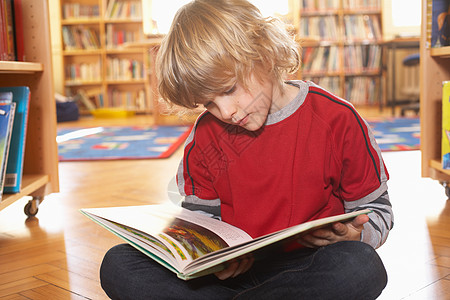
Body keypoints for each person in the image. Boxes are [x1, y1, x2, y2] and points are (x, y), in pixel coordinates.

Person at [99, 0, 393, 299]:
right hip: (234, 276)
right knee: (119, 263)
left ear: (266, 54)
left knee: (360, 266)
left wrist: (357, 235)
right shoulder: (205, 136)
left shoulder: (337, 118)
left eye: (228, 89)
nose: (225, 111)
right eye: (208, 103)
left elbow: (377, 210)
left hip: (309, 269)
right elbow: (200, 220)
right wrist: (210, 259)